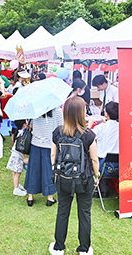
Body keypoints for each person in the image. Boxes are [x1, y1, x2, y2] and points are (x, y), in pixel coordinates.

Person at [49, 97, 99, 255]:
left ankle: (59, 247)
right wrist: (96, 177)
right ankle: (84, 249)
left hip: (63, 178)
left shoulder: (58, 132)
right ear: (81, 113)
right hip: (85, 179)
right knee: (84, 213)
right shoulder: (88, 135)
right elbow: (94, 159)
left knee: (63, 211)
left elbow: (52, 155)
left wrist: (55, 170)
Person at [24, 107, 63, 207]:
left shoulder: (35, 110)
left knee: (33, 170)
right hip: (50, 145)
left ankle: (30, 197)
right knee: (49, 170)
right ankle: (50, 197)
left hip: (35, 144)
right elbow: (61, 127)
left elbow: (31, 125)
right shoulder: (57, 112)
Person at [88, 102, 119, 198]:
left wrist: (90, 124)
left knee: (93, 160)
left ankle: (101, 190)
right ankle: (104, 189)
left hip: (103, 167)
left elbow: (86, 137)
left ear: (106, 114)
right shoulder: (122, 127)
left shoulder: (101, 128)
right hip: (120, 166)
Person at [6, 119, 29, 196]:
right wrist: (25, 158)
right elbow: (20, 147)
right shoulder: (22, 133)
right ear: (24, 125)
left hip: (14, 154)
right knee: (18, 172)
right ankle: (16, 189)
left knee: (15, 171)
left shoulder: (18, 132)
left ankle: (17, 185)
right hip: (18, 155)